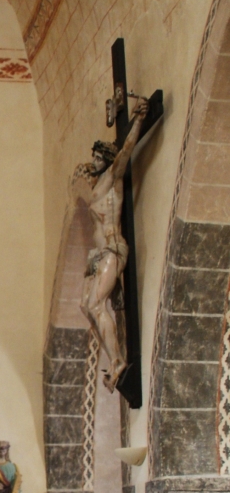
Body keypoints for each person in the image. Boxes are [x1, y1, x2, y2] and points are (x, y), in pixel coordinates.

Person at [72, 97, 148, 391]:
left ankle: (117, 360)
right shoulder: (96, 188)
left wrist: (138, 121)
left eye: (97, 157)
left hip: (113, 250)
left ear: (106, 158)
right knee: (84, 305)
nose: (93, 162)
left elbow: (126, 151)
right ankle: (112, 356)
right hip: (96, 255)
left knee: (96, 303)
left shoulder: (114, 178)